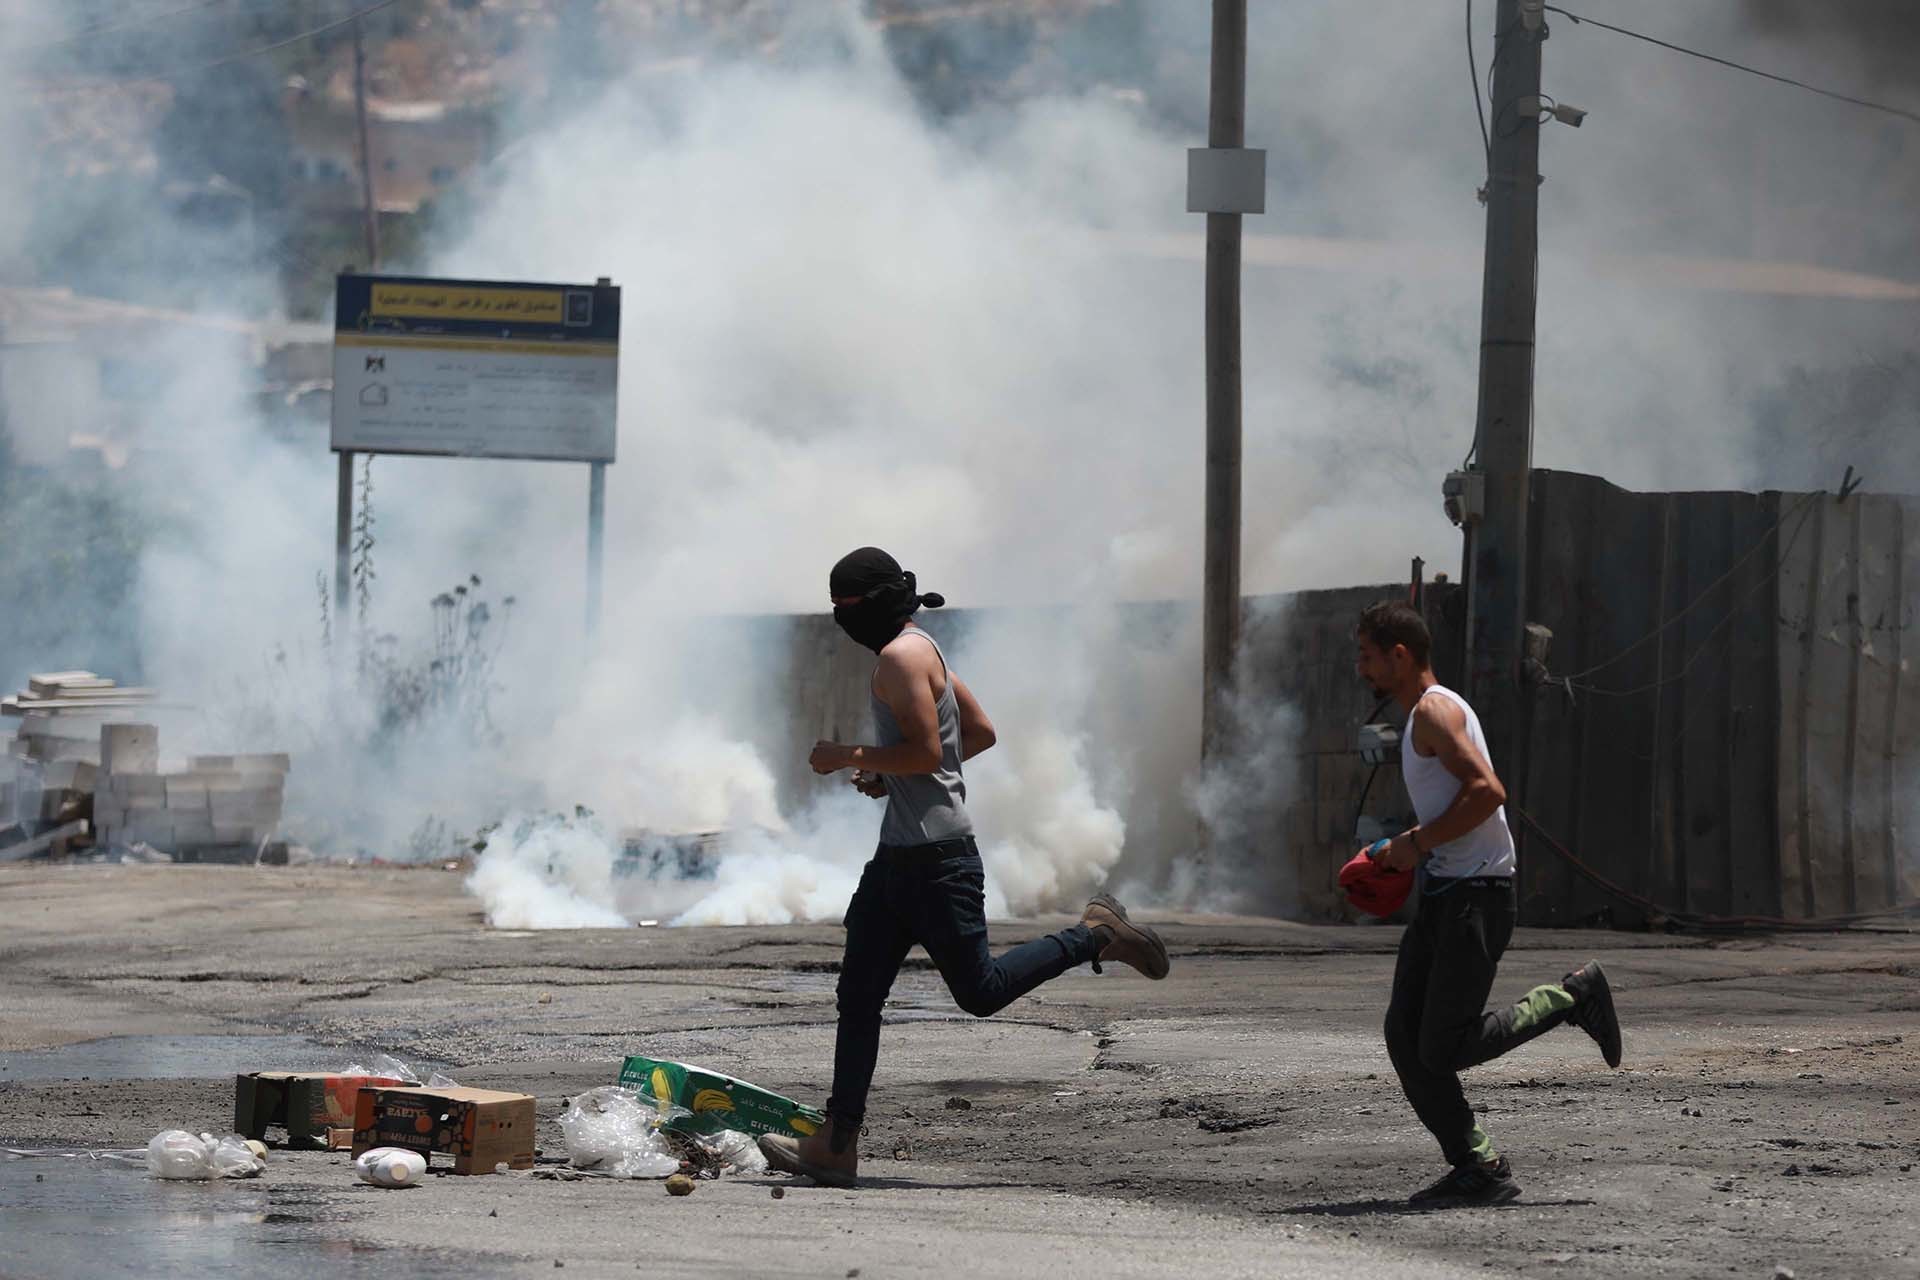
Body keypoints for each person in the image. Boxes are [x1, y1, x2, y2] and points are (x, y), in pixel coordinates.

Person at [758, 547, 1169, 1187]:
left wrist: (848, 755)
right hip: (899, 857)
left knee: (979, 992)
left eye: (847, 610)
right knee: (858, 997)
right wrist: (885, 776)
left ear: (872, 605)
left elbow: (925, 751)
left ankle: (1095, 934)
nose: (842, 622)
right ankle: (837, 1143)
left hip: (938, 861)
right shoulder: (924, 649)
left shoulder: (899, 657)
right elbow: (975, 734)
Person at [1353, 600, 1622, 1208]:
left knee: (1443, 1046)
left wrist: (1414, 844)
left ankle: (1572, 997)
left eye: (1367, 655)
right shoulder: (1425, 717)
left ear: (1399, 654)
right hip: (1449, 891)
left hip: (1478, 894)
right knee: (1405, 1035)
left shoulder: (1434, 712)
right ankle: (1478, 1165)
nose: (1361, 668)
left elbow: (1488, 792)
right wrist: (1406, 855)